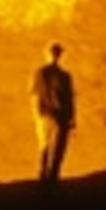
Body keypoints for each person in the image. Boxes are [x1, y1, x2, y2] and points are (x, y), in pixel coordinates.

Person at [31, 42, 77, 182]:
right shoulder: (66, 76)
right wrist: (72, 118)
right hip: (61, 116)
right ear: (60, 55)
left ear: (46, 54)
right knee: (58, 149)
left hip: (45, 115)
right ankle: (53, 176)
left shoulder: (40, 72)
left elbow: (35, 95)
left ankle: (43, 174)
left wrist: (36, 116)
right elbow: (70, 99)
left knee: (44, 146)